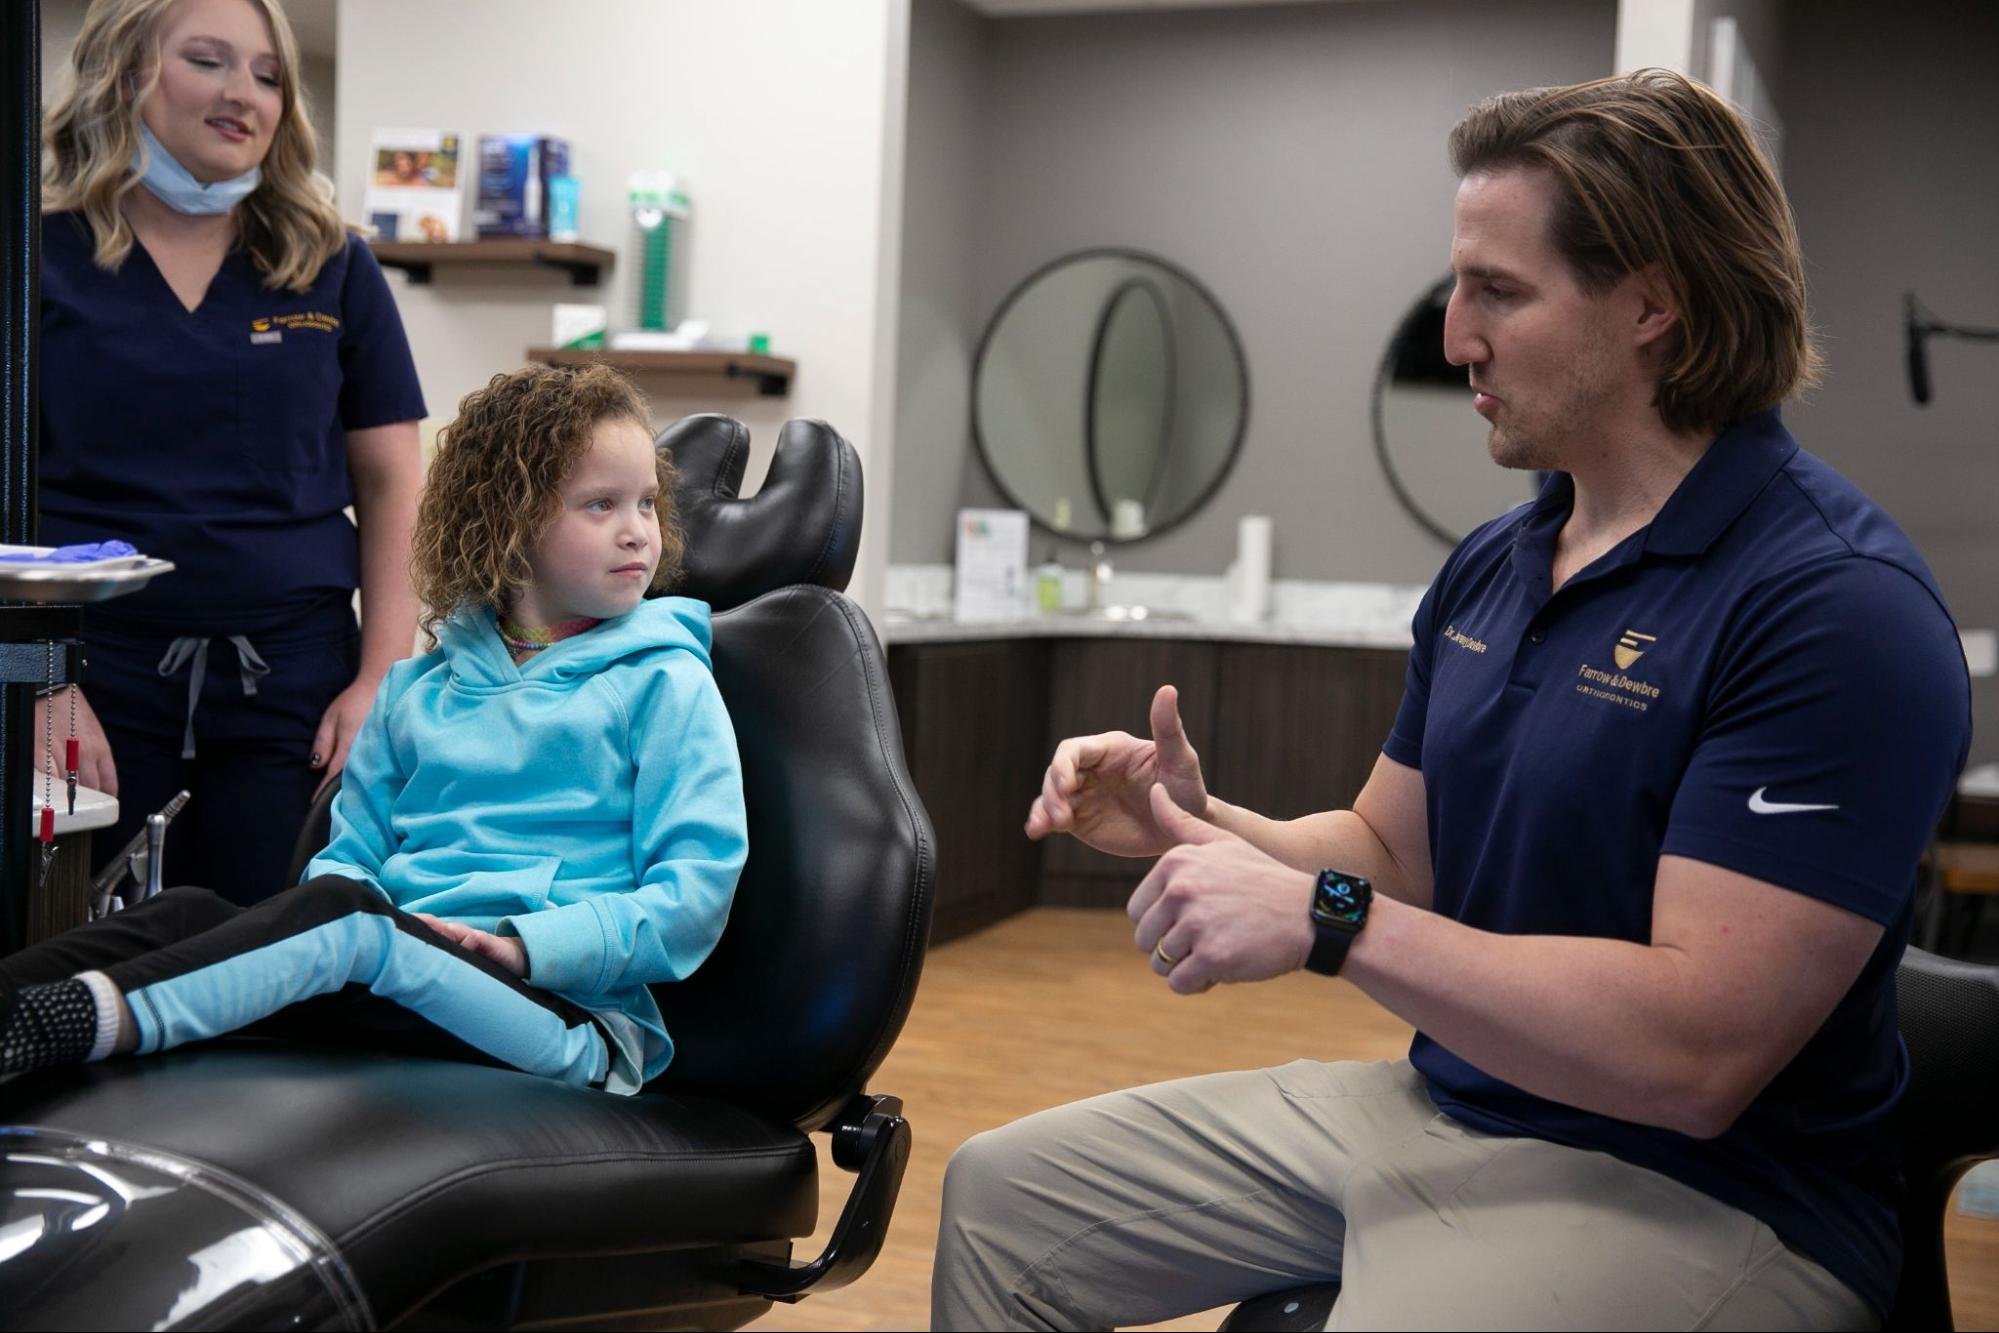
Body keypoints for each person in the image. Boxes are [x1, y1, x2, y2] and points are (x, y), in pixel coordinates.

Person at [932, 70, 1972, 1332]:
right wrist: (1198, 824)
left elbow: (1693, 1056)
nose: (1454, 337)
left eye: (1499, 292)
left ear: (1654, 303)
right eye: (1457, 286)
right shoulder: (1499, 563)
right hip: (1451, 1107)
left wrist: (1324, 917)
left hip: (1714, 1191)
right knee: (999, 1197)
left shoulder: (1831, 607)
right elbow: (1387, 852)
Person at [0, 363, 747, 1096]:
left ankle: (66, 1023)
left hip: (564, 1014)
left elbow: (694, 894)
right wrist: (355, 920)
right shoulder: (417, 690)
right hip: (395, 969)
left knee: (353, 922)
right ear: (507, 522)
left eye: (646, 503)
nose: (636, 533)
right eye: (601, 505)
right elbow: (350, 858)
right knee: (189, 908)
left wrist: (529, 947)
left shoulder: (665, 682)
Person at [38, 0, 426, 901]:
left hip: (295, 685)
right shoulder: (36, 252)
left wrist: (383, 677)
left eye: (267, 74)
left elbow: (393, 479)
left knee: (268, 956)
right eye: (208, 61)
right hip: (87, 680)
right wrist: (34, 683)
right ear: (124, 71)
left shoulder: (330, 261)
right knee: (81, 956)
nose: (242, 94)